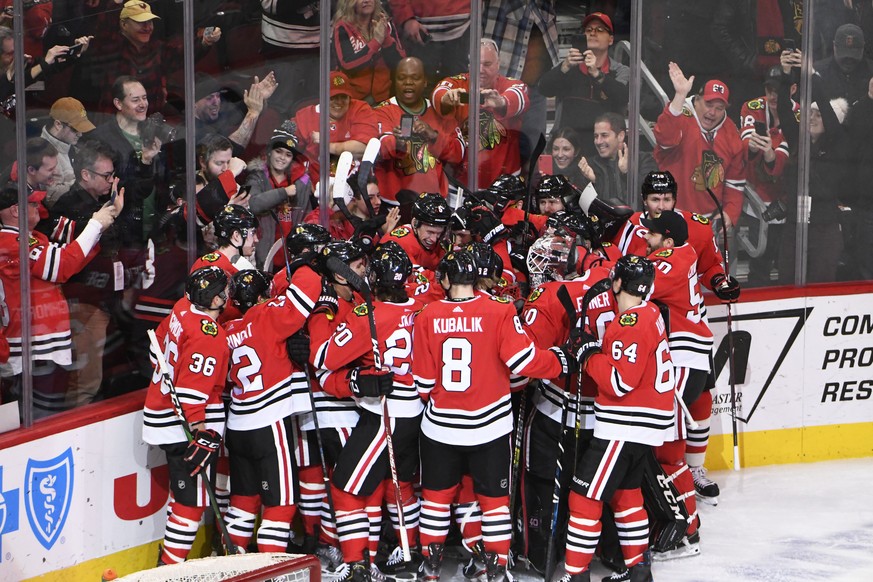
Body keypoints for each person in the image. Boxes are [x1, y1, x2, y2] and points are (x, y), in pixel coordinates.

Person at [412, 250, 574, 582]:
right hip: (490, 427)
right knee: (494, 502)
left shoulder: (427, 316)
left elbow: (424, 383)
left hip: (441, 428)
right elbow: (523, 363)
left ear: (445, 279)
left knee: (435, 501)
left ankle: (430, 567)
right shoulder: (499, 311)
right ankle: (497, 569)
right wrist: (560, 360)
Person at [314, 243, 423, 580]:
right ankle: (406, 553)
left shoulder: (369, 315)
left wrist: (321, 313)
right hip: (419, 412)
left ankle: (357, 565)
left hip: (385, 415)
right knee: (396, 485)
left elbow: (323, 358)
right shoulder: (424, 307)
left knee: (345, 488)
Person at [562, 255, 674, 582]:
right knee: (626, 496)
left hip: (624, 426)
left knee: (583, 497)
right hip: (643, 426)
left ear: (618, 284)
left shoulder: (631, 323)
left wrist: (588, 354)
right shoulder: (650, 312)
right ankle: (639, 572)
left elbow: (619, 382)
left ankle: (575, 574)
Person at [0, 181, 121, 417]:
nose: (40, 208)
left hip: (41, 349)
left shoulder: (29, 238)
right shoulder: (10, 242)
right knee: (39, 421)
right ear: (16, 210)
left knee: (47, 415)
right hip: (31, 352)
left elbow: (71, 261)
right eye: (34, 203)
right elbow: (62, 266)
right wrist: (96, 224)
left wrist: (102, 224)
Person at [143, 266, 231, 565]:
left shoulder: (182, 308)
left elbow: (155, 348)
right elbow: (193, 392)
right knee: (192, 503)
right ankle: (168, 569)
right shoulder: (210, 335)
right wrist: (200, 432)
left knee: (182, 495)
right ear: (217, 299)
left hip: (162, 413)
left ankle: (166, 561)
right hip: (183, 426)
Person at [640, 211, 713, 560]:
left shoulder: (673, 258)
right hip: (685, 361)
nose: (646, 240)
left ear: (667, 241)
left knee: (668, 452)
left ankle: (686, 532)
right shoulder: (678, 254)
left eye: (651, 236)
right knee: (665, 450)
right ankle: (683, 525)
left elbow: (640, 285)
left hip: (684, 361)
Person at [47, 140, 134, 409]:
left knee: (104, 375)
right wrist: (103, 219)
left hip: (108, 300)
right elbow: (65, 250)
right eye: (106, 176)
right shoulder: (67, 206)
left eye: (113, 175)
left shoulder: (104, 201)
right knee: (85, 381)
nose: (111, 180)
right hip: (83, 303)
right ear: (86, 174)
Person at [70, 0, 221, 115]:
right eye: (140, 22)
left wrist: (204, 43)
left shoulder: (156, 48)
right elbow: (104, 29)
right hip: (116, 121)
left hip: (151, 120)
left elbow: (180, 55)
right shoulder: (110, 47)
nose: (147, 27)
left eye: (149, 22)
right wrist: (114, 4)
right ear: (124, 25)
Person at [653, 64, 746, 232]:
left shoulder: (732, 134)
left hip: (707, 223)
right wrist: (680, 95)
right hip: (670, 215)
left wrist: (729, 213)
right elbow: (664, 138)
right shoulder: (679, 114)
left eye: (719, 108)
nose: (712, 112)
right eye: (709, 104)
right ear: (697, 100)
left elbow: (735, 184)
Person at [432, 38, 530, 189]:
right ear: (470, 65)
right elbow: (439, 93)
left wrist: (501, 102)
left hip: (505, 185)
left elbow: (519, 97)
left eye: (487, 64)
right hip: (458, 184)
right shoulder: (456, 84)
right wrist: (446, 99)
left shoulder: (512, 85)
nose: (481, 69)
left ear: (498, 65)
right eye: (477, 64)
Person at [373, 57, 465, 202]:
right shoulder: (382, 111)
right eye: (401, 78)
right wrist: (398, 143)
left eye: (414, 78)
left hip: (434, 202)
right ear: (394, 82)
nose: (408, 82)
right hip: (393, 203)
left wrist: (434, 136)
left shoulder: (440, 111)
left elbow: (458, 154)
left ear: (425, 82)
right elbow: (379, 147)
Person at [537, 12, 629, 158]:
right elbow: (544, 88)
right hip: (569, 149)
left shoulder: (620, 71)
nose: (593, 33)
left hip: (604, 147)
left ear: (611, 39)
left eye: (599, 30)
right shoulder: (568, 67)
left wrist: (597, 74)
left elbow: (623, 97)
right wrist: (564, 67)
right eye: (588, 30)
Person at [90, 76, 165, 245]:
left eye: (145, 98)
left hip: (156, 229)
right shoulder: (100, 139)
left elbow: (162, 179)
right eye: (135, 100)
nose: (143, 104)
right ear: (118, 104)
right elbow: (108, 187)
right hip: (123, 232)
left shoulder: (154, 132)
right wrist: (144, 161)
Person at [739, 66, 794, 287]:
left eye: (778, 91)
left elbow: (793, 157)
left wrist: (771, 152)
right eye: (769, 89)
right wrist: (753, 147)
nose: (772, 96)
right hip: (758, 197)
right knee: (759, 263)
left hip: (786, 197)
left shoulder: (799, 112)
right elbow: (746, 146)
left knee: (785, 261)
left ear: (792, 89)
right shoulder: (752, 107)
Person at [290, 71, 378, 185]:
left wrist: (326, 144)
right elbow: (283, 146)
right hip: (318, 189)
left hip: (357, 189)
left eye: (343, 97)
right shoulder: (304, 116)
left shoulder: (361, 110)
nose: (339, 102)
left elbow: (364, 148)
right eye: (333, 97)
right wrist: (304, 181)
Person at [247, 123, 313, 269]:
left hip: (290, 257)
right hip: (262, 256)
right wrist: (284, 193)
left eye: (288, 155)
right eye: (279, 151)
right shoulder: (257, 177)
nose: (282, 158)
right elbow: (254, 204)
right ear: (270, 152)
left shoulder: (301, 183)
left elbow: (306, 217)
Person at [333, 0, 406, 105]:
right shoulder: (343, 27)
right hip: (353, 100)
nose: (366, 1)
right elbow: (347, 64)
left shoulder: (385, 24)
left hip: (384, 98)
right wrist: (376, 42)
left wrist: (385, 39)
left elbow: (400, 63)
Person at [577, 112, 657, 207]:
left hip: (635, 220)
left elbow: (654, 196)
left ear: (620, 136)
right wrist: (595, 182)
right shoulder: (589, 166)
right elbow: (584, 207)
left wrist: (627, 173)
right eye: (596, 136)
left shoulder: (642, 160)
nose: (598, 141)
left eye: (604, 135)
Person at [193, 71, 279, 157]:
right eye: (209, 98)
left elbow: (251, 108)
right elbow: (228, 153)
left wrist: (259, 97)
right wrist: (253, 113)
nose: (216, 102)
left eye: (218, 96)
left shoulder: (219, 114)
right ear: (194, 104)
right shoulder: (191, 131)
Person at [388, 0, 471, 85]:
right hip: (419, 34)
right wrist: (406, 18)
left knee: (458, 87)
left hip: (463, 30)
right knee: (419, 85)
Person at [41, 97, 97, 207]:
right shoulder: (43, 155)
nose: (80, 134)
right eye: (75, 129)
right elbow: (51, 196)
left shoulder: (74, 146)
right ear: (58, 124)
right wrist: (87, 184)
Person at [380, 192, 450, 270]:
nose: (434, 239)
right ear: (415, 224)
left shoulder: (440, 244)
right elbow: (416, 278)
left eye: (439, 233)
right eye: (430, 232)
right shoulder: (399, 243)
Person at [812, 23, 873, 106]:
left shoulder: (871, 72)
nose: (848, 60)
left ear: (863, 48)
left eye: (853, 56)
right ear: (834, 46)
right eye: (843, 55)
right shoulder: (819, 72)